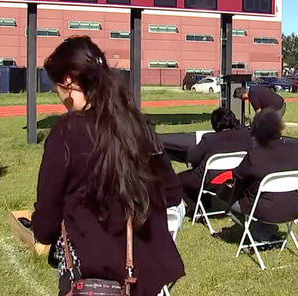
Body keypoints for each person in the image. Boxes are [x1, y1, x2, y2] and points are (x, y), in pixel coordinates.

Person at [31, 36, 184, 296]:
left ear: (68, 82)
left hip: (95, 281)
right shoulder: (139, 126)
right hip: (148, 279)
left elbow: (45, 227)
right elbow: (172, 194)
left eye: (55, 86)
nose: (57, 96)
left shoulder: (66, 134)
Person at [230, 108, 298, 241]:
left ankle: (264, 235)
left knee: (228, 202)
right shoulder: (296, 151)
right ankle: (266, 230)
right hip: (292, 207)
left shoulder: (254, 156)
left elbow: (237, 175)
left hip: (265, 209)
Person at [177, 108, 253, 211]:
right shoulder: (246, 136)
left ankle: (198, 208)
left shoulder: (209, 139)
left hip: (212, 180)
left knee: (178, 180)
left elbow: (192, 158)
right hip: (238, 178)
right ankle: (210, 203)